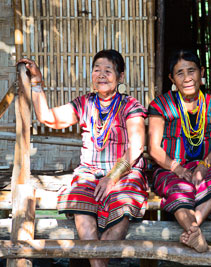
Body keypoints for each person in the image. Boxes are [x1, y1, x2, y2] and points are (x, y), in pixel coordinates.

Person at [19, 50, 148, 267]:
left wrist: (111, 178)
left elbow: (136, 147)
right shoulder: (84, 103)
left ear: (121, 76)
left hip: (125, 173)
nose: (101, 75)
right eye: (97, 69)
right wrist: (37, 83)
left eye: (108, 70)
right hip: (88, 173)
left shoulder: (131, 106)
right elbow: (48, 118)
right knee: (81, 208)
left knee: (122, 211)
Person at [148, 49, 211, 252]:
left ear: (201, 72)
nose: (187, 78)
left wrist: (204, 164)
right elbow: (154, 149)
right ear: (172, 79)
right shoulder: (160, 105)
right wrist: (176, 168)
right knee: (176, 189)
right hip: (168, 167)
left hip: (204, 164)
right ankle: (195, 232)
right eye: (180, 73)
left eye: (191, 71)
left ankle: (192, 231)